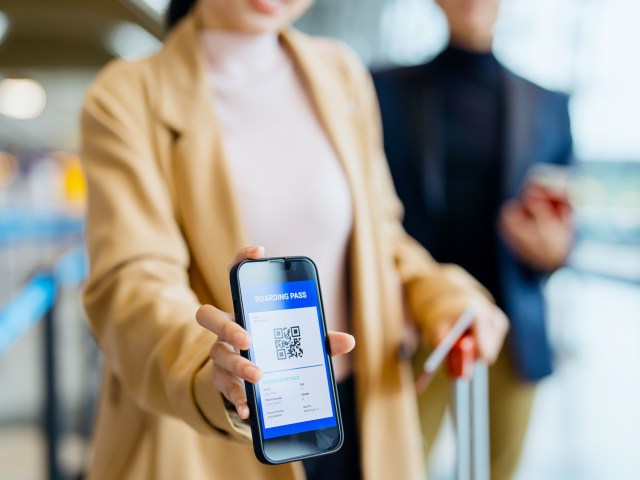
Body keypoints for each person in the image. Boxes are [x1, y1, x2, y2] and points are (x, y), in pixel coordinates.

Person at [80, 0, 510, 479]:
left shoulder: (340, 72)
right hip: (214, 428)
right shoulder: (126, 95)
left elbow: (381, 234)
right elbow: (132, 279)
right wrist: (208, 369)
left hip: (358, 410)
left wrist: (444, 293)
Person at [373, 0, 574, 478]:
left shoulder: (547, 104)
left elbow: (563, 216)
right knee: (397, 466)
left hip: (510, 324)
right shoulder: (382, 91)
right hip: (410, 321)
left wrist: (553, 250)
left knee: (496, 469)